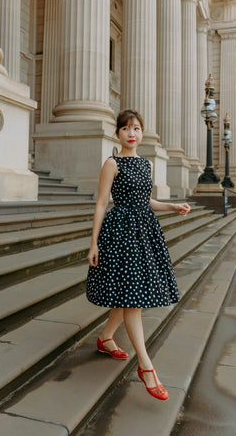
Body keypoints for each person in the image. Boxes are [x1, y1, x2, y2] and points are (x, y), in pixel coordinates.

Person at [86, 109, 190, 401]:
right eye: (127, 128)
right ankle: (147, 367)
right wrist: (93, 244)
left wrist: (173, 207)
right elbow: (102, 203)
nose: (133, 133)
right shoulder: (111, 163)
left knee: (128, 293)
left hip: (144, 233)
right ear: (118, 133)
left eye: (137, 128)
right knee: (132, 299)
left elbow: (147, 200)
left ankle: (106, 338)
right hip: (119, 234)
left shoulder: (145, 164)